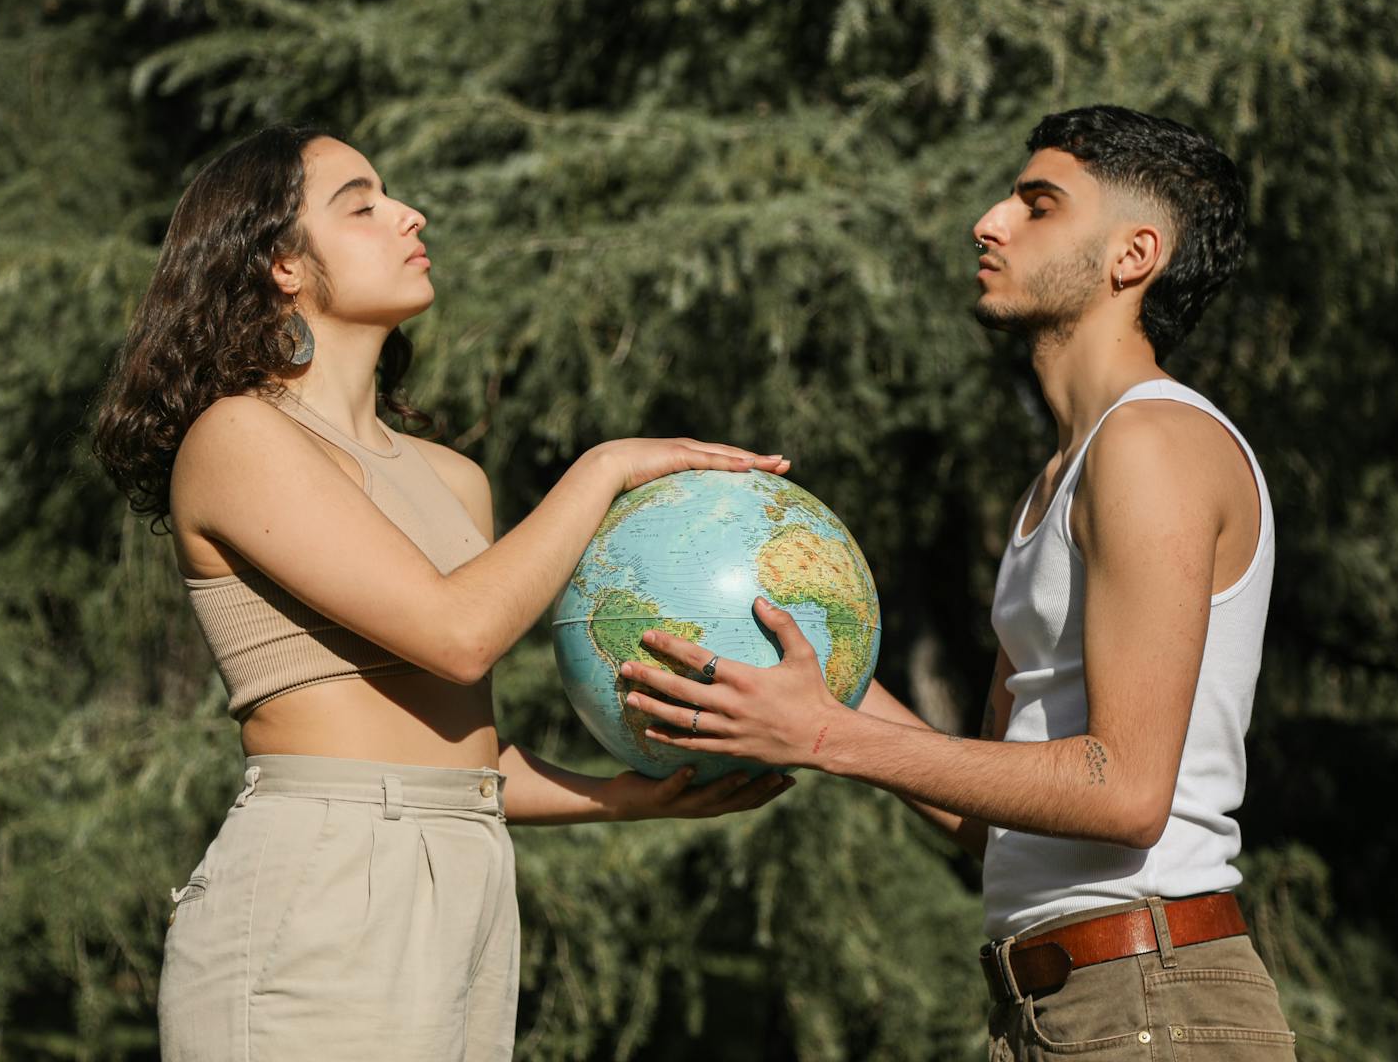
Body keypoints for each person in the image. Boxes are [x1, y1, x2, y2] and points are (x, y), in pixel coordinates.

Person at [91, 124, 794, 1061]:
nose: (409, 214)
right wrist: (605, 467)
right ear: (281, 266)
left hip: (468, 878)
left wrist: (629, 797)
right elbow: (458, 633)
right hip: (320, 884)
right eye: (362, 203)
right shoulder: (238, 438)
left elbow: (461, 760)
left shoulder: (454, 479)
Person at [617, 106, 1297, 1058]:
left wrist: (823, 730)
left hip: (1150, 1004)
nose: (989, 221)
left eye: (1038, 204)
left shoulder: (1152, 443)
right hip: (1060, 1010)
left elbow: (1127, 790)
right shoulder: (1063, 474)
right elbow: (994, 820)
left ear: (1133, 255)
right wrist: (804, 682)